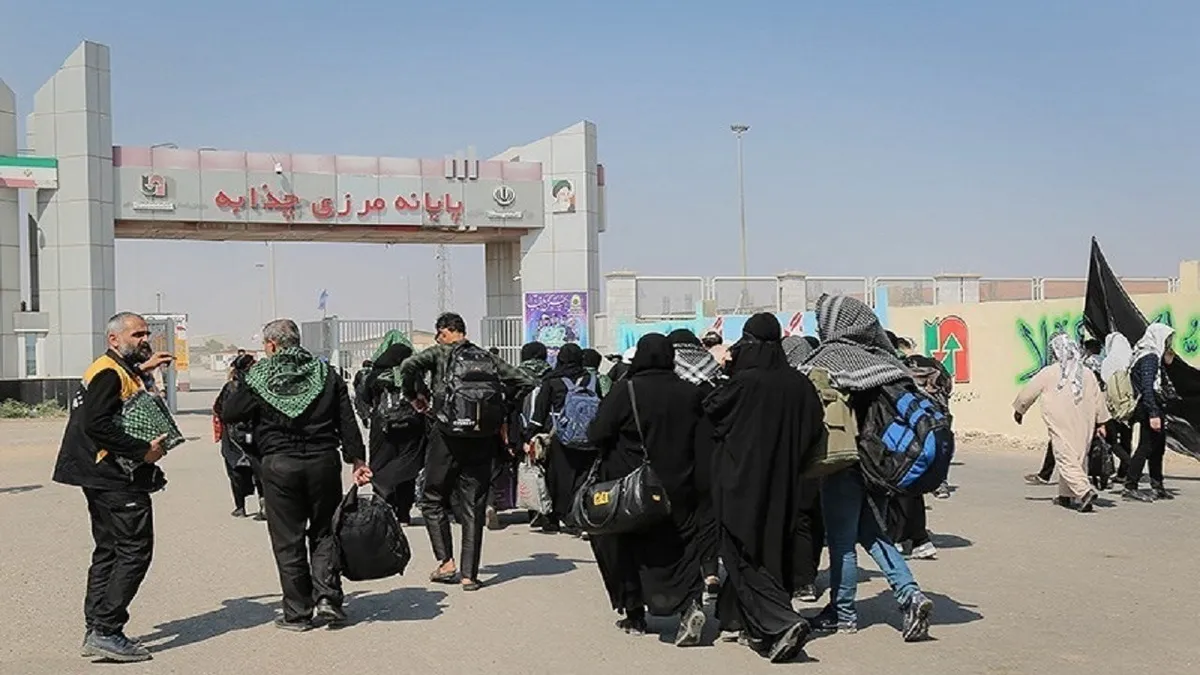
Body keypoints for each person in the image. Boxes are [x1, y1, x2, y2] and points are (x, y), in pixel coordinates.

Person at [799, 294, 935, 642]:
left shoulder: (830, 358)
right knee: (872, 533)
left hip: (843, 464)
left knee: (842, 542)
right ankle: (910, 594)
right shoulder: (887, 362)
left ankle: (843, 614)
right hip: (883, 465)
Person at [220, 319, 371, 631]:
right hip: (323, 463)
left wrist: (243, 382)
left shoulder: (260, 376)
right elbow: (346, 419)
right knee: (325, 532)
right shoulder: (325, 373)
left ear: (272, 345)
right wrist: (357, 460)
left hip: (279, 465)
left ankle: (298, 613)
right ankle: (328, 598)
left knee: (288, 539)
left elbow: (231, 412)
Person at [52, 312, 173, 662]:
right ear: (114, 339)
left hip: (98, 474)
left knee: (109, 550)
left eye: (146, 333)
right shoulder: (109, 373)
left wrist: (144, 368)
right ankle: (106, 630)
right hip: (113, 476)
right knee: (134, 550)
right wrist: (143, 451)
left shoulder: (114, 368)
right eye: (137, 334)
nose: (144, 339)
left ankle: (96, 627)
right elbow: (97, 424)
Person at [703, 313, 819, 663]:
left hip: (740, 483)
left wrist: (722, 372)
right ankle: (739, 620)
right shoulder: (799, 385)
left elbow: (711, 410)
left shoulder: (744, 383)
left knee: (742, 553)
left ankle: (781, 621)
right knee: (773, 550)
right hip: (786, 484)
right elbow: (814, 429)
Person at [398, 312, 536, 590]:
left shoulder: (440, 353)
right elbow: (526, 381)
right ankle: (469, 575)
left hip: (446, 435)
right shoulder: (487, 357)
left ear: (445, 331)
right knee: (474, 503)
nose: (438, 340)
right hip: (482, 437)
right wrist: (500, 408)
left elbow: (407, 365)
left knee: (432, 498)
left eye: (439, 335)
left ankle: (446, 562)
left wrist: (415, 396)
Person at [588, 333, 709, 646]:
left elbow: (597, 432)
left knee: (627, 547)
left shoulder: (625, 390)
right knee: (682, 546)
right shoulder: (689, 392)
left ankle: (635, 614)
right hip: (681, 485)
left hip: (635, 489)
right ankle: (690, 605)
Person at [1013, 333, 1110, 512]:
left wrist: (1020, 409)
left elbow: (1029, 391)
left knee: (1065, 458)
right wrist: (1101, 422)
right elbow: (1099, 400)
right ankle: (1066, 496)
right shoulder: (1086, 373)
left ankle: (1084, 492)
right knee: (1078, 458)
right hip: (1084, 422)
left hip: (1060, 423)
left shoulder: (1049, 372)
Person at [666, 328, 724, 597]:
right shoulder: (716, 376)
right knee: (709, 516)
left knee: (681, 517)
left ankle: (686, 573)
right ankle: (711, 570)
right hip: (710, 456)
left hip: (676, 458)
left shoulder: (669, 379)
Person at [526, 343, 600, 535]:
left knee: (555, 477)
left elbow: (540, 412)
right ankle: (577, 516)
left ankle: (552, 519)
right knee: (582, 477)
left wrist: (530, 435)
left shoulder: (552, 380)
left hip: (559, 436)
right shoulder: (591, 379)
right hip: (588, 437)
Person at [359, 330, 426, 525]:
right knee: (407, 469)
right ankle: (403, 513)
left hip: (383, 429)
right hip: (411, 429)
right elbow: (423, 395)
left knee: (380, 465)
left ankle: (384, 505)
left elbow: (365, 398)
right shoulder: (413, 373)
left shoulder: (375, 375)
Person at [779, 335, 826, 600]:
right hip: (816, 461)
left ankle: (800, 580)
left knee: (797, 521)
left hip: (790, 464)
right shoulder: (818, 379)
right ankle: (808, 576)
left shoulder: (786, 383)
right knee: (813, 520)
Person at [1122, 323, 1177, 502]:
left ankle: (1157, 485)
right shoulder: (1149, 357)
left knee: (1157, 447)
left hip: (1151, 406)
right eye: (1166, 338)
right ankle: (1130, 486)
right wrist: (1153, 413)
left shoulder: (1150, 355)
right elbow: (1147, 387)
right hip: (1148, 407)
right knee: (1145, 447)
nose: (1168, 342)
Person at [213, 353, 265, 520]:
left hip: (233, 437)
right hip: (255, 433)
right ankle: (263, 504)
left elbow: (218, 408)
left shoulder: (230, 387)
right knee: (260, 470)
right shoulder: (260, 386)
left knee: (235, 470)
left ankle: (240, 507)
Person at [511, 341, 553, 528]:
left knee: (528, 468)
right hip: (546, 428)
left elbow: (510, 405)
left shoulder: (516, 375)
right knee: (546, 470)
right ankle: (547, 509)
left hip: (522, 426)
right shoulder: (552, 374)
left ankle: (533, 510)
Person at [1101, 332, 1135, 481]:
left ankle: (1126, 466)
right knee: (1126, 440)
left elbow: (1104, 383)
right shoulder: (1131, 359)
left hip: (1112, 408)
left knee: (1111, 441)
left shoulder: (1109, 361)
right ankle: (1123, 473)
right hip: (1128, 407)